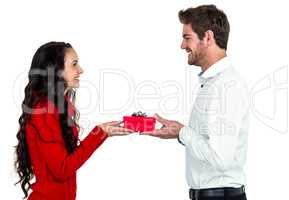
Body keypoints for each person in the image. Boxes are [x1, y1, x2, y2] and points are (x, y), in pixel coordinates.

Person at [143, 5, 249, 200]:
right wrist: (179, 133)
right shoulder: (212, 83)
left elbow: (221, 159)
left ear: (208, 38)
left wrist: (182, 131)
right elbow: (208, 143)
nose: (182, 46)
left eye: (187, 37)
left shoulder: (226, 86)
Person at [15, 42, 134, 200]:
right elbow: (62, 169)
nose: (81, 70)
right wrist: (99, 134)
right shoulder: (43, 111)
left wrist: (102, 132)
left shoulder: (60, 106)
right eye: (74, 64)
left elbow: (69, 159)